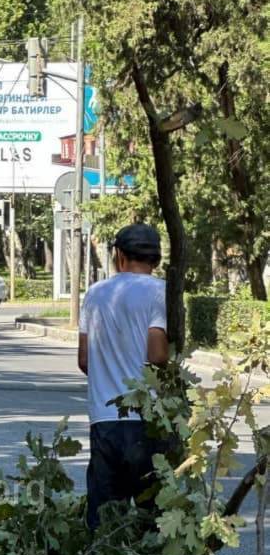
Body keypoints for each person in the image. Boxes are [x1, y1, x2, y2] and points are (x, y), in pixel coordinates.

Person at [78, 223, 170, 529]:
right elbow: (157, 355)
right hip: (147, 422)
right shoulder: (161, 292)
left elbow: (84, 359)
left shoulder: (95, 293)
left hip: (103, 420)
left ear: (119, 255)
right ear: (156, 259)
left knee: (105, 520)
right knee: (152, 519)